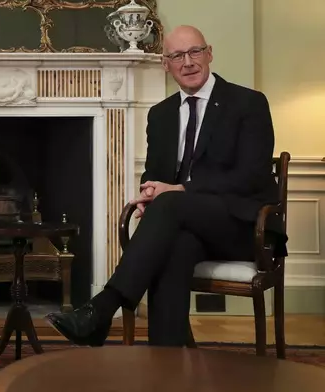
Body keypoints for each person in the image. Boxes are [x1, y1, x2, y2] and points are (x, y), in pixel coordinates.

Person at [45, 25, 288, 347]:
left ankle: (102, 308)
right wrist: (149, 192)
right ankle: (166, 362)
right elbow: (155, 174)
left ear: (209, 53)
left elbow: (252, 175)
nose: (187, 62)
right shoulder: (161, 115)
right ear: (165, 63)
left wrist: (179, 191)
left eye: (194, 52)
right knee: (175, 247)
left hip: (243, 226)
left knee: (171, 205)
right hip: (188, 226)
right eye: (176, 56)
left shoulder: (248, 103)